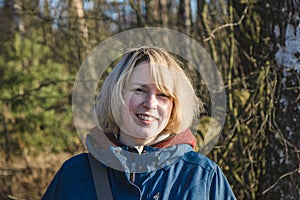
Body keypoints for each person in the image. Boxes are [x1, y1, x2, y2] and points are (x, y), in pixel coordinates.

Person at [42, 47, 236, 199]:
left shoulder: (203, 178)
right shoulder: (75, 174)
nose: (150, 103)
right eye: (140, 90)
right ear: (116, 95)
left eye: (162, 95)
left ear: (174, 106)